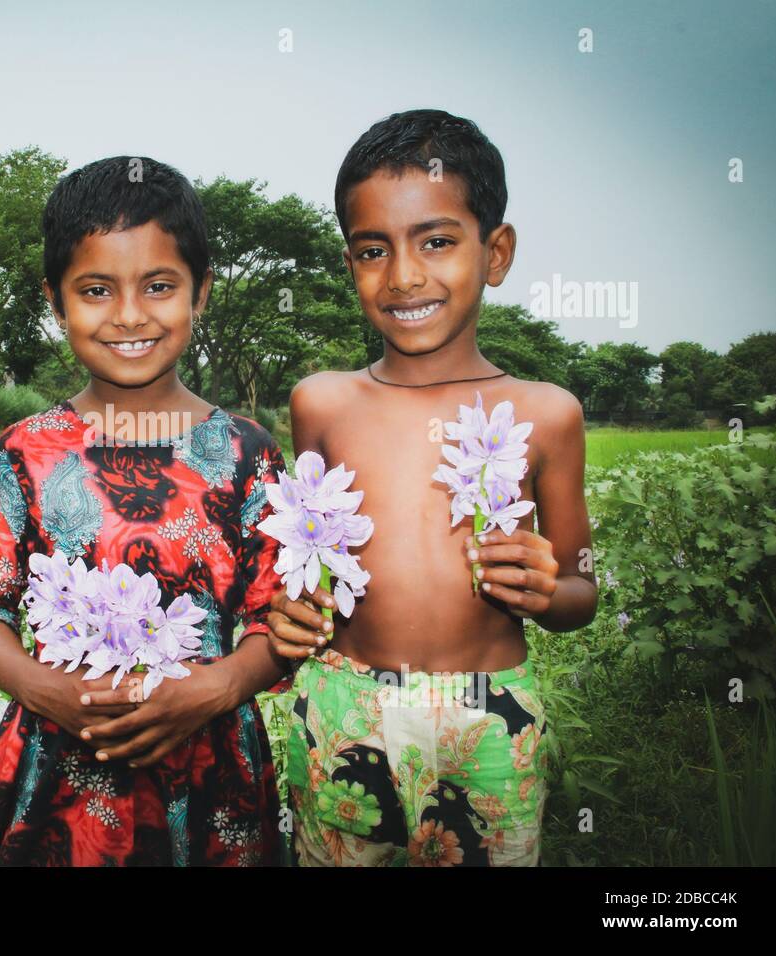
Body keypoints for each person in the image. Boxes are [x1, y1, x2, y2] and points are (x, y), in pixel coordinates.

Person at [266, 110, 598, 866]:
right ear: (349, 261)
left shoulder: (548, 414)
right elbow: (310, 571)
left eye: (438, 241)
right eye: (372, 250)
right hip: (343, 706)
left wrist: (554, 589)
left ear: (497, 252)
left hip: (492, 717)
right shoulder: (321, 402)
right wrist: (288, 615)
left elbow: (583, 590)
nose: (405, 275)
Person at [0, 156, 291, 865]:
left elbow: (280, 616)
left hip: (214, 775)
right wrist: (45, 687)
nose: (130, 315)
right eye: (96, 290)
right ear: (56, 301)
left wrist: (223, 683)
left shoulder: (246, 452)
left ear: (201, 293)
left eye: (159, 286)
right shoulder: (26, 452)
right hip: (57, 772)